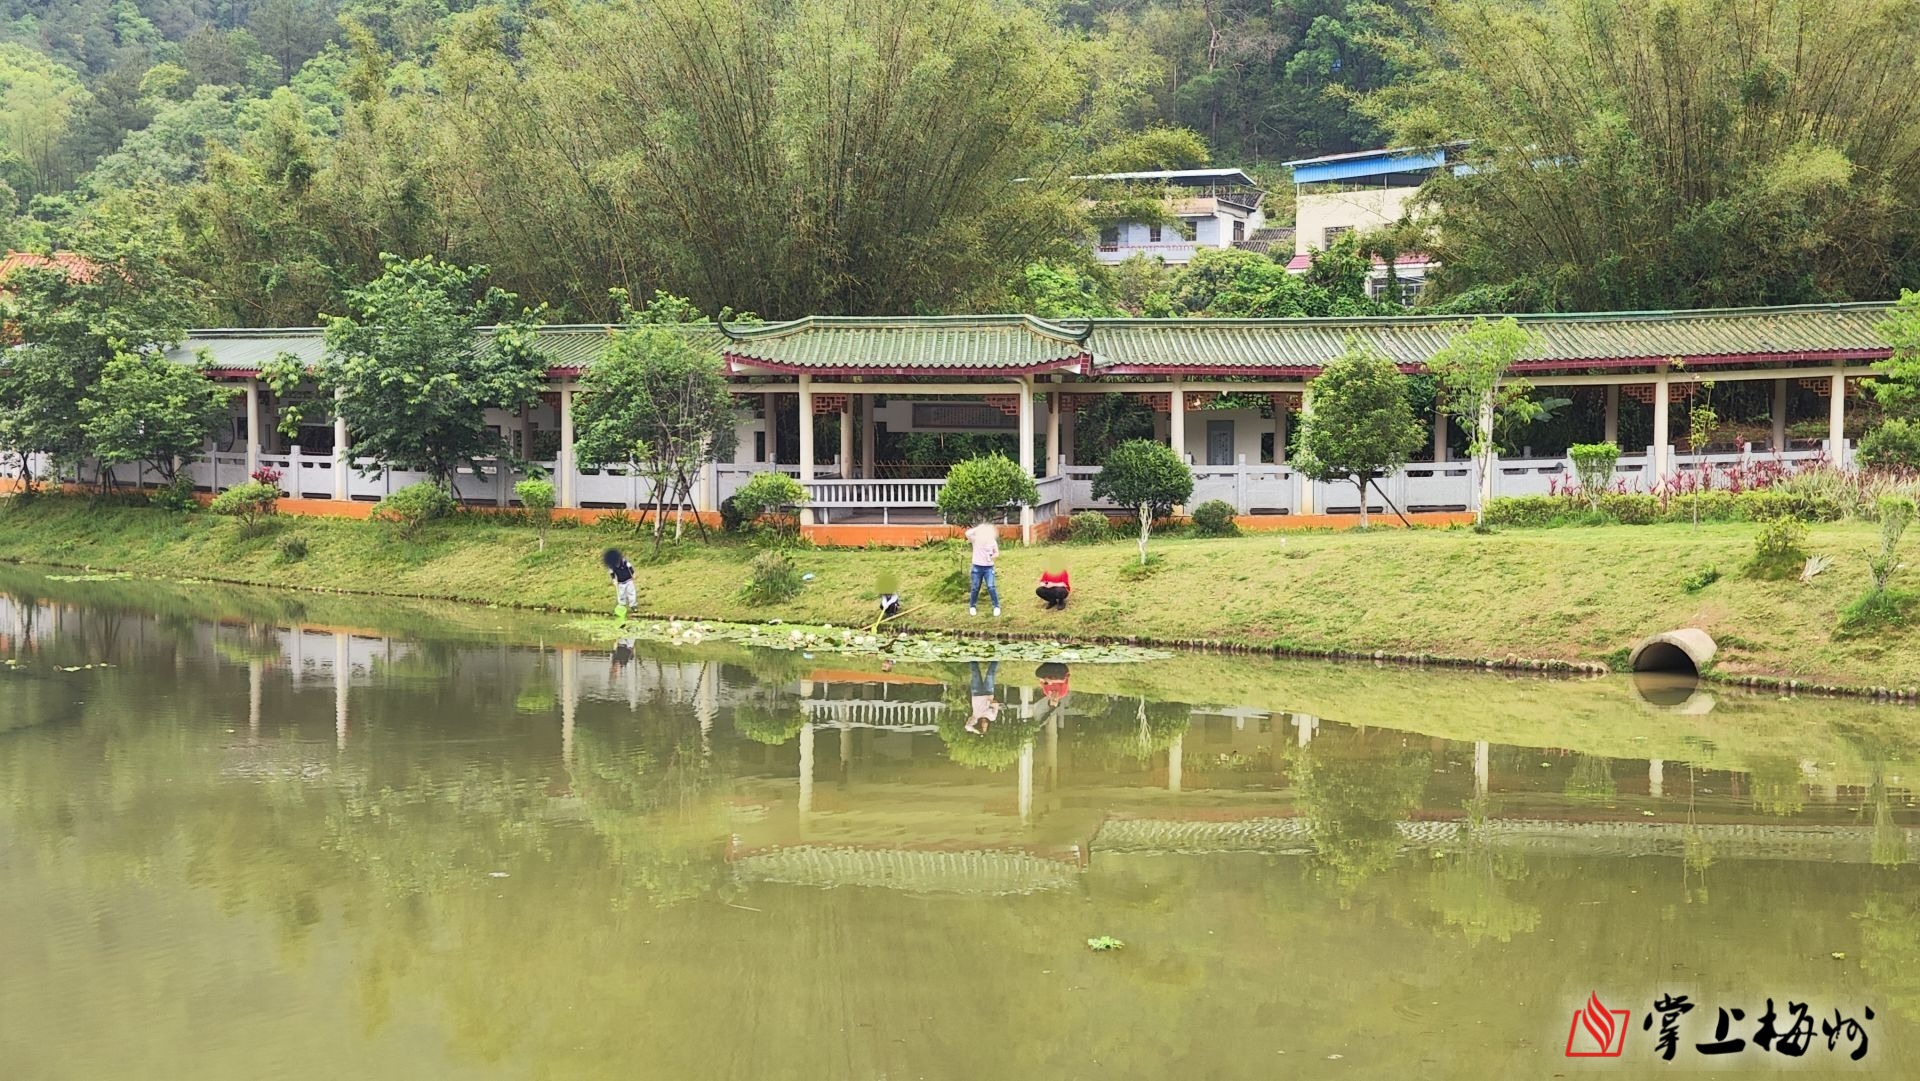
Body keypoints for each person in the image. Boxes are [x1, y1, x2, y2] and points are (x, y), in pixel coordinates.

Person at [964, 520, 1000, 617]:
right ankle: (972, 606)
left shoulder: (992, 541)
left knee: (991, 586)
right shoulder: (976, 540)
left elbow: (997, 552)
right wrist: (978, 528)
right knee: (975, 587)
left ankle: (996, 606)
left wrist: (992, 556)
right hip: (977, 567)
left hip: (989, 568)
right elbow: (967, 533)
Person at [965, 660, 999, 734]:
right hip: (988, 692)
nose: (984, 725)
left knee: (975, 673)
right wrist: (990, 704)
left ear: (979, 725)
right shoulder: (992, 717)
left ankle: (972, 657)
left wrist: (978, 731)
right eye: (985, 727)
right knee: (990, 675)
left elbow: (967, 727)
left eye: (982, 727)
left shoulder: (975, 718)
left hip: (976, 693)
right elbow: (996, 704)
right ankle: (996, 660)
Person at [602, 548, 637, 619]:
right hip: (620, 582)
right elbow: (612, 573)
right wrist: (614, 580)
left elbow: (630, 567)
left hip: (628, 580)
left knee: (631, 592)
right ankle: (622, 606)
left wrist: (633, 574)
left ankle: (633, 606)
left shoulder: (624, 562)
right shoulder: (612, 566)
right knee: (621, 594)